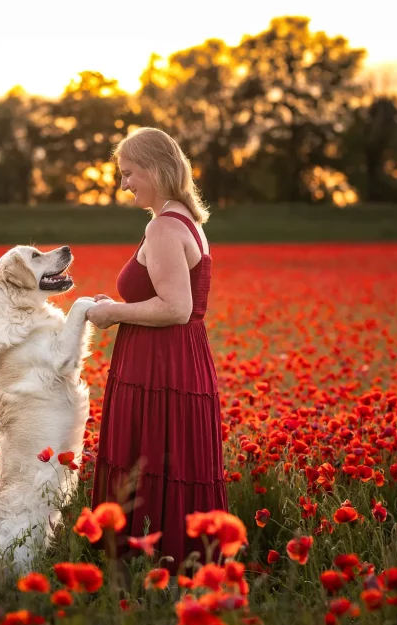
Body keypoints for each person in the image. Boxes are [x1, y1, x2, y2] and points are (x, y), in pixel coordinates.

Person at [86, 126, 228, 576]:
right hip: (178, 359)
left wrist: (113, 313)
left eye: (128, 173)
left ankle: (148, 569)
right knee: (171, 457)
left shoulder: (165, 226)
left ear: (156, 169)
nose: (123, 184)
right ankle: (181, 566)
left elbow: (176, 308)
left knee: (153, 458)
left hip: (161, 364)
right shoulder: (185, 218)